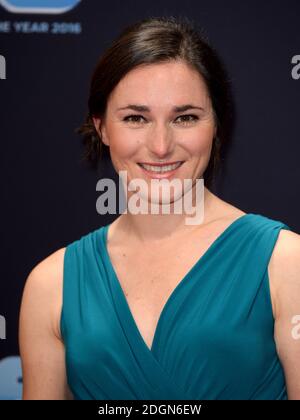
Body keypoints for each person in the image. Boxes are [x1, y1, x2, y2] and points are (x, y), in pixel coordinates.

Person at [19, 15, 300, 400]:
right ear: (101, 127)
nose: (161, 146)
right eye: (136, 118)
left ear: (216, 123)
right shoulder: (50, 286)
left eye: (185, 117)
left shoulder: (286, 263)